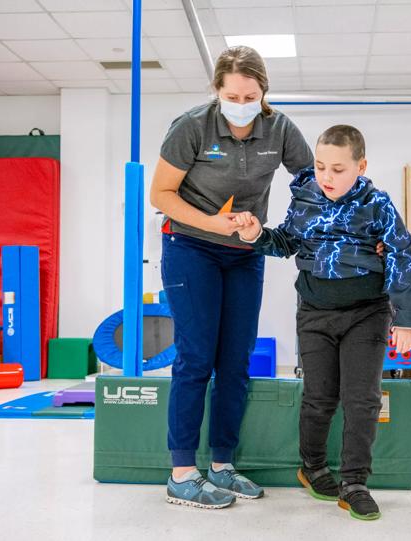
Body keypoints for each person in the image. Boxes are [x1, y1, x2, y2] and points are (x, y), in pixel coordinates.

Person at [150, 46, 313, 509]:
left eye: (251, 94)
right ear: (217, 91)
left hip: (245, 251)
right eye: (232, 94)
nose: (241, 102)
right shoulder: (192, 127)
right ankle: (182, 473)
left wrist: (283, 229)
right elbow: (160, 194)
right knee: (196, 357)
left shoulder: (279, 128)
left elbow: (311, 183)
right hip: (191, 247)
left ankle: (222, 465)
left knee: (236, 361)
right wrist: (211, 223)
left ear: (264, 93)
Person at [233, 125, 411, 521]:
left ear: (361, 166)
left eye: (338, 169)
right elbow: (287, 242)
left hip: (366, 312)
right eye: (320, 166)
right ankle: (313, 467)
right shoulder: (304, 197)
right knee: (319, 397)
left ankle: (354, 483)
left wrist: (406, 320)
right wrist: (256, 236)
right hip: (315, 312)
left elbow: (402, 255)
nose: (327, 177)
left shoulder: (377, 203)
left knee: (363, 399)